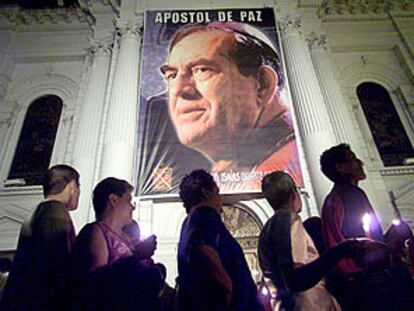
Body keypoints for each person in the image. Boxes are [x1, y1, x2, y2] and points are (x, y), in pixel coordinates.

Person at [258, 171, 386, 311]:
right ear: (293, 192)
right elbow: (295, 278)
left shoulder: (266, 230)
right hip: (310, 305)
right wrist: (343, 249)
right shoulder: (289, 220)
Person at [320, 144, 401, 311]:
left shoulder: (332, 198)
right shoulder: (351, 195)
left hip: (349, 286)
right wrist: (395, 237)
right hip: (368, 284)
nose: (361, 163)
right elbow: (363, 246)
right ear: (340, 168)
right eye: (353, 159)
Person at [70, 177, 163, 310]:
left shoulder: (125, 237)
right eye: (128, 201)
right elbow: (95, 282)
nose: (132, 207)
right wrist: (137, 257)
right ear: (113, 200)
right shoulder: (96, 232)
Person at [177, 169, 263, 311]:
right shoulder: (205, 215)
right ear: (206, 192)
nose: (221, 202)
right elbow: (203, 249)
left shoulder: (188, 223)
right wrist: (226, 289)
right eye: (217, 193)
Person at [0, 164, 80, 311]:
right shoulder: (54, 210)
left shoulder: (40, 209)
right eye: (78, 188)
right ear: (72, 186)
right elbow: (56, 262)